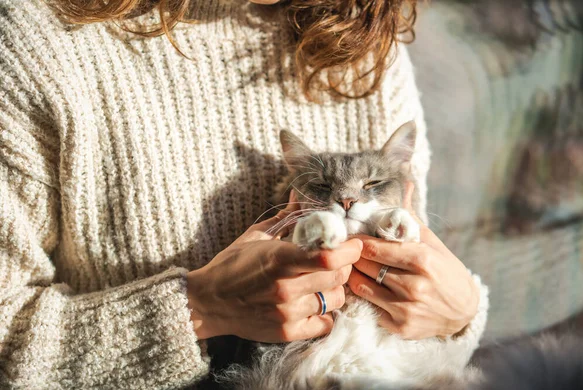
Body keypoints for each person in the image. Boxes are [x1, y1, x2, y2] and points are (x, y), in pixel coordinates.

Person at [0, 0, 488, 388]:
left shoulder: (360, 40)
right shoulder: (33, 44)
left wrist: (459, 317)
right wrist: (200, 308)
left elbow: (402, 325)